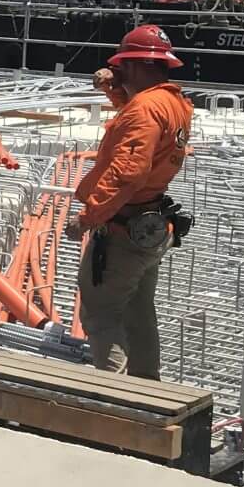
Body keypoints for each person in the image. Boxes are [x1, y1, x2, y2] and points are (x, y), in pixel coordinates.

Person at [63, 24, 194, 379]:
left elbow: (127, 173)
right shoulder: (174, 103)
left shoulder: (145, 110)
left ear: (133, 66)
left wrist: (89, 217)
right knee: (138, 314)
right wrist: (114, 85)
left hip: (123, 230)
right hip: (149, 227)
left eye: (122, 66)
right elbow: (138, 114)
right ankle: (147, 389)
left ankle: (115, 397)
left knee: (100, 314)